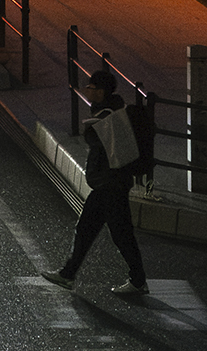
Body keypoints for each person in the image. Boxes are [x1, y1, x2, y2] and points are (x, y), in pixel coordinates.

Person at [46, 69, 149, 298]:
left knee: (121, 234)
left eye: (91, 88)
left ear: (101, 92)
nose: (87, 91)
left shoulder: (110, 115)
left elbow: (105, 146)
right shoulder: (108, 110)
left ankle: (138, 279)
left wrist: (92, 129)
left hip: (111, 185)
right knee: (86, 229)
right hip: (106, 184)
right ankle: (68, 274)